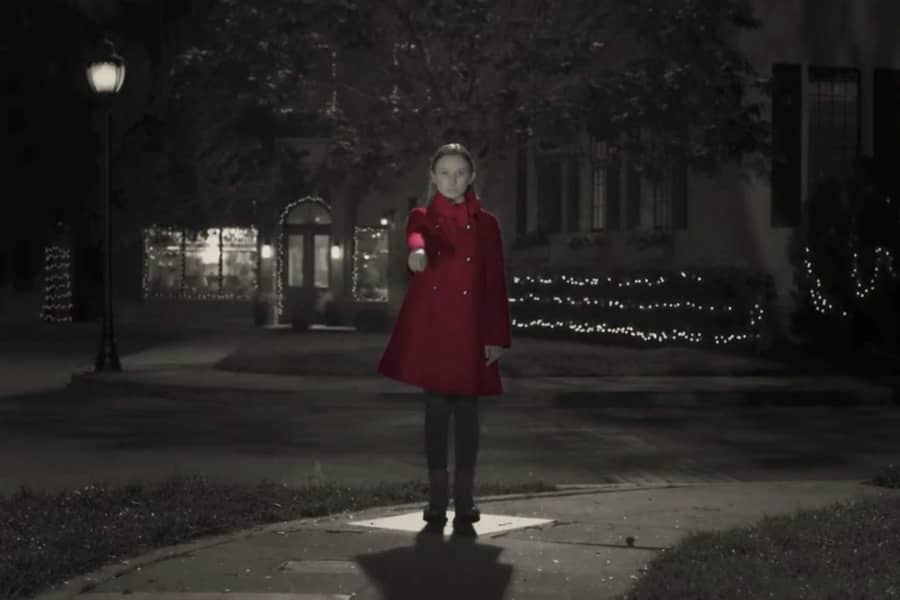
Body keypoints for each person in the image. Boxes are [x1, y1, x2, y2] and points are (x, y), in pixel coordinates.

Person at [377, 143, 512, 536]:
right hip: (435, 330)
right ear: (433, 178)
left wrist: (496, 336)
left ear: (470, 177)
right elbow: (416, 237)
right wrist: (416, 254)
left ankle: (465, 498)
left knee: (468, 414)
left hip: (472, 331)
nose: (452, 180)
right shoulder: (423, 216)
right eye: (444, 173)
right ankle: (437, 499)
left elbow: (494, 282)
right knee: (436, 413)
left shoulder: (487, 225)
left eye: (459, 173)